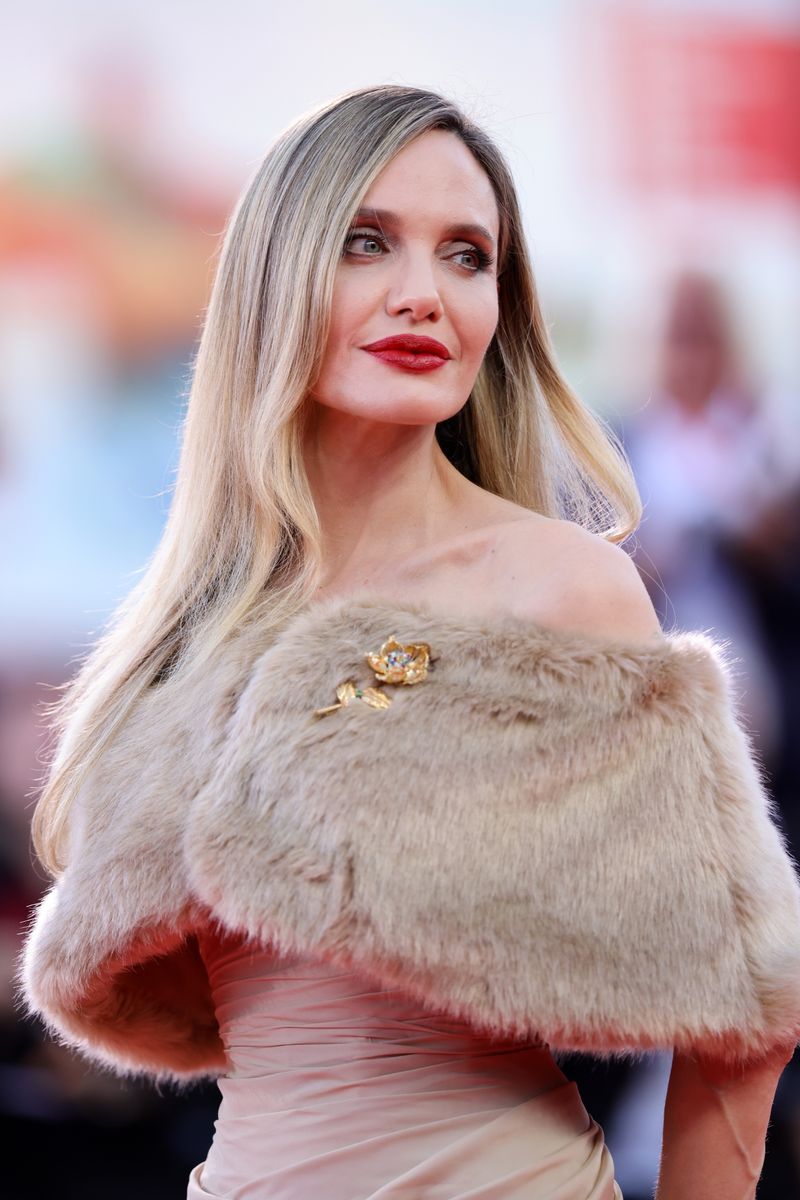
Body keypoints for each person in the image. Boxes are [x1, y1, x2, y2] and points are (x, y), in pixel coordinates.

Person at [17, 85, 800, 1200]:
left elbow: (744, 1006)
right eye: (368, 243)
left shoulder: (556, 590)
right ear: (275, 277)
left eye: (467, 256)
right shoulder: (186, 638)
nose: (423, 295)